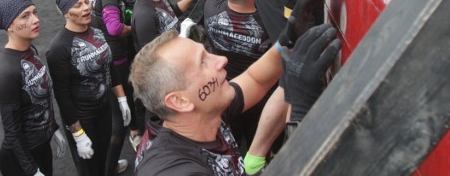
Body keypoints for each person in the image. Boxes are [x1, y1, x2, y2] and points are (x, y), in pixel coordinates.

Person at [129, 13, 341, 175]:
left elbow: (254, 80)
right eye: (203, 62)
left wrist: (288, 40)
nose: (221, 60)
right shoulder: (174, 170)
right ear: (179, 101)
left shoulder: (200, 114)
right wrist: (301, 117)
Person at [46, 0, 131, 176]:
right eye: (78, 5)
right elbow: (62, 95)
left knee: (103, 159)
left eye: (86, 2)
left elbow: (109, 65)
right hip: (83, 118)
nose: (85, 8)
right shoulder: (59, 48)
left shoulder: (96, 27)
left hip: (104, 111)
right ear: (66, 12)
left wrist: (121, 98)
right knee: (89, 169)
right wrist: (77, 133)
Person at [0, 0, 65, 176]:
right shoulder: (7, 70)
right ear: (10, 26)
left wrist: (52, 127)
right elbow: (11, 132)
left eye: (34, 12)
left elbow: (41, 99)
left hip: (41, 146)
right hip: (20, 159)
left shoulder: (30, 49)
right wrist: (31, 170)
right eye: (25, 16)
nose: (35, 19)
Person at [203, 0, 275, 151]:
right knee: (258, 148)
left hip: (228, 92)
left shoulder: (211, 7)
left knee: (231, 145)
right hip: (261, 96)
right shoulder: (267, 24)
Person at [77, 0, 133, 173]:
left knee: (109, 115)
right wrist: (134, 27)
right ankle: (108, 168)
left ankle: (104, 165)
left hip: (99, 56)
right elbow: (114, 27)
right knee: (119, 122)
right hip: (116, 58)